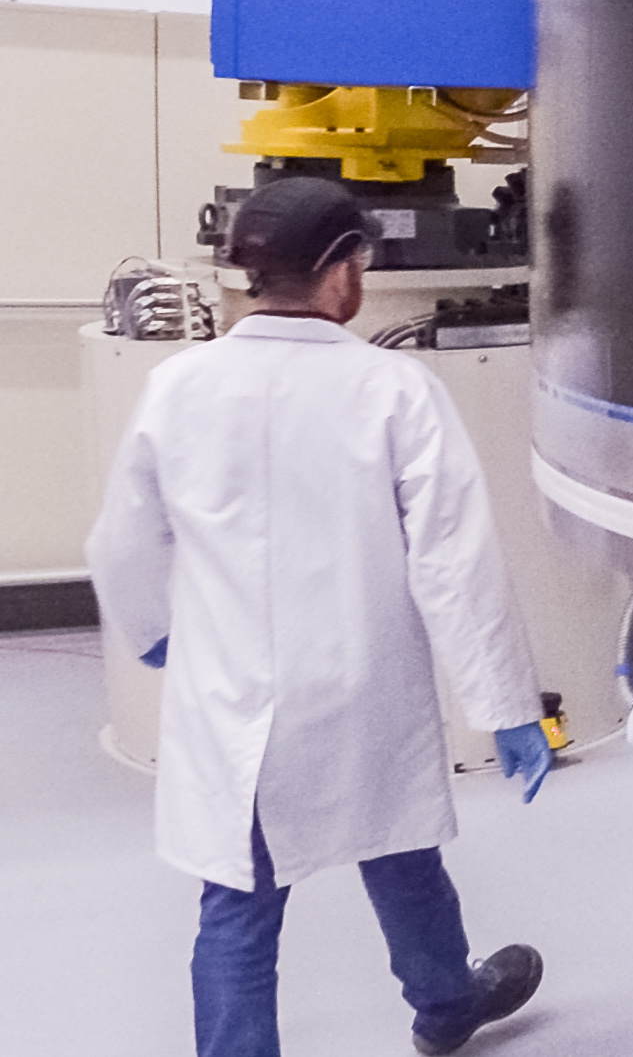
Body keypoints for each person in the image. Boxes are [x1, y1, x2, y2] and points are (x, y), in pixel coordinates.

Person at [90, 176, 553, 1057]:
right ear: (340, 270)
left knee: (237, 907)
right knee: (403, 854)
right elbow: (456, 563)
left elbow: (121, 541)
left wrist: (154, 633)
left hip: (236, 708)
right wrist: (505, 705)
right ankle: (447, 1005)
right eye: (361, 261)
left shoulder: (179, 386)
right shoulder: (395, 389)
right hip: (361, 693)